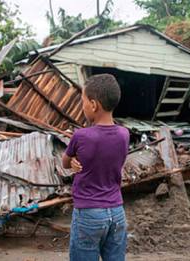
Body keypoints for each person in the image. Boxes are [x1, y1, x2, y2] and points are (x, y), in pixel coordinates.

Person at [62, 74, 129, 261]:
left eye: (83, 101)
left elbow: (64, 162)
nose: (82, 106)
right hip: (116, 212)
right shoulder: (124, 134)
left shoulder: (81, 136)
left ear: (93, 105)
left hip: (89, 214)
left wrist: (73, 160)